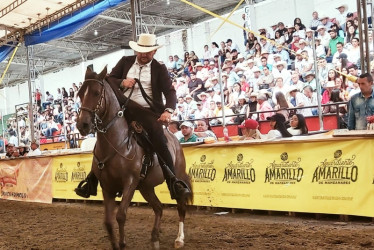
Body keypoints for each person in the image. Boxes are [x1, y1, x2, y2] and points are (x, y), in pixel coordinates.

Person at [75, 33, 190, 200]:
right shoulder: (125, 62)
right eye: (141, 51)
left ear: (154, 52)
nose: (143, 55)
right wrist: (122, 82)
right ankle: (92, 179)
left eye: (147, 52)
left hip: (149, 113)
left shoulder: (159, 68)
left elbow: (170, 92)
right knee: (104, 135)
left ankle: (173, 181)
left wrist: (168, 110)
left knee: (159, 138)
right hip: (123, 109)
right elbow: (109, 80)